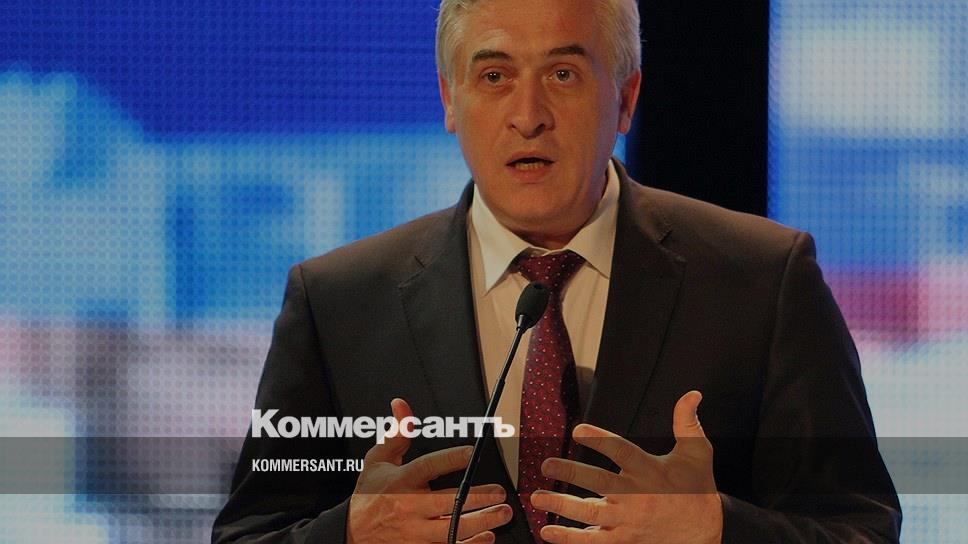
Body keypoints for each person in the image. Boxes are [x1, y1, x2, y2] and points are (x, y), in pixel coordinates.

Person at [213, 0, 901, 542]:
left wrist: (717, 529)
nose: (528, 116)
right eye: (494, 77)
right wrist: (351, 534)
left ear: (626, 99)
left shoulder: (763, 280)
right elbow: (249, 533)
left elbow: (860, 528)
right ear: (450, 99)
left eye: (563, 75)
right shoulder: (337, 303)